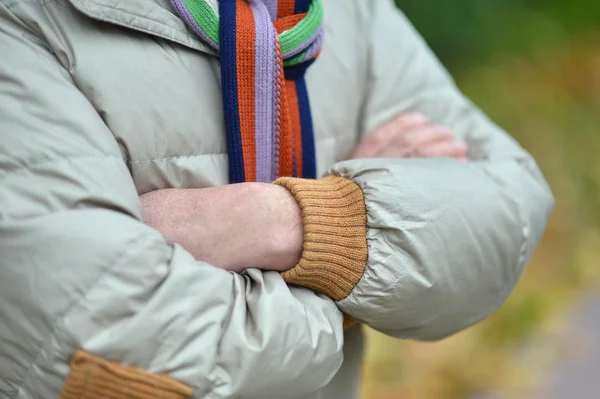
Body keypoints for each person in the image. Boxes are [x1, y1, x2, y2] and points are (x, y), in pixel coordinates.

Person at [0, 0, 554, 398]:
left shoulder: (350, 14)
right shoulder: (23, 22)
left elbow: (509, 212)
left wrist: (285, 220)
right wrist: (368, 273)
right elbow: (98, 339)